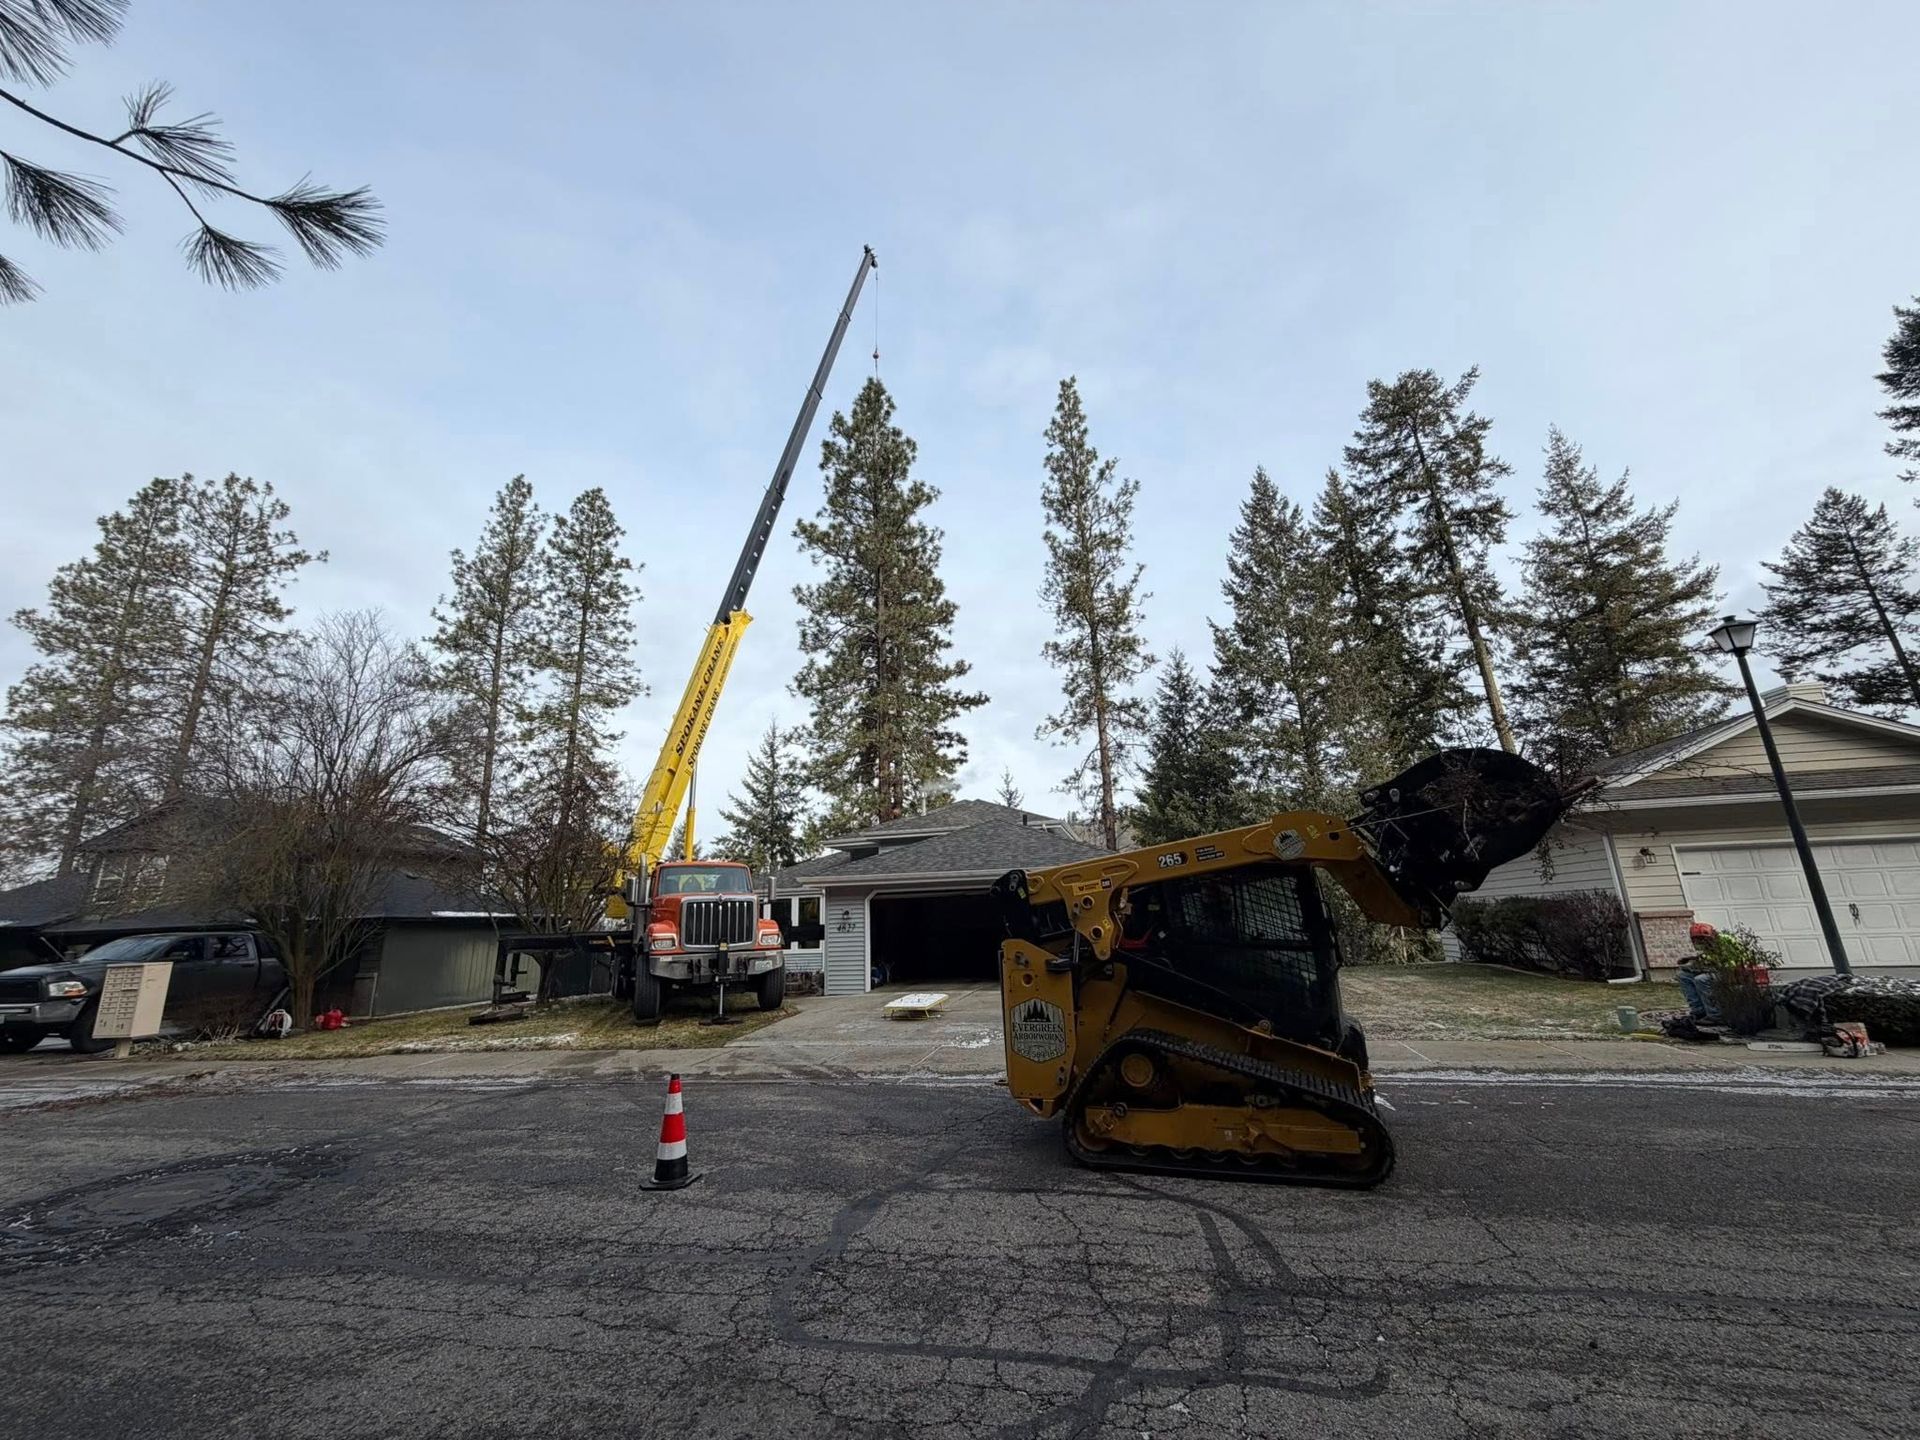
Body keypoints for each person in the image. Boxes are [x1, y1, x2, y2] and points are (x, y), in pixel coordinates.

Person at [1675, 921, 1725, 1025]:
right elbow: (1707, 958)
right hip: (1713, 969)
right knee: (1684, 976)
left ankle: (1715, 1015)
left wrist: (1700, 967)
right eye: (1696, 941)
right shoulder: (1711, 944)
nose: (1699, 944)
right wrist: (1691, 959)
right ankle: (1699, 1011)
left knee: (1701, 979)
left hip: (1731, 972)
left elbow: (1723, 963)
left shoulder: (1724, 944)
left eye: (1701, 941)